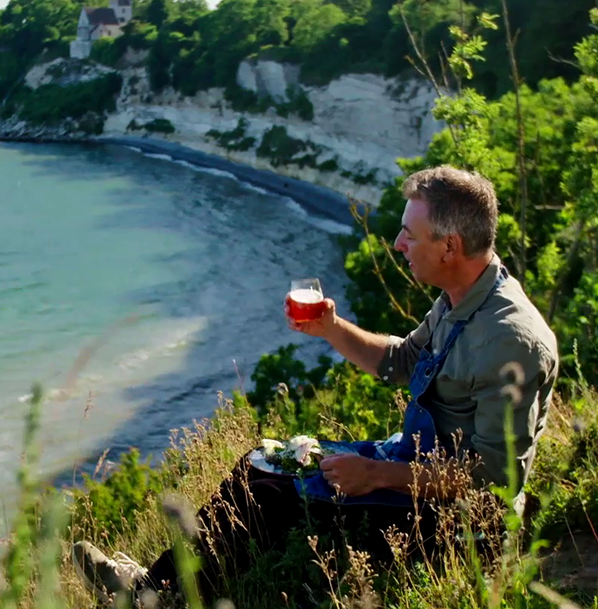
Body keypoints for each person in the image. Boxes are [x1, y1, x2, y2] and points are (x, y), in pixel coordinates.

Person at [71, 166, 560, 604]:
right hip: (411, 466)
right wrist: (330, 327)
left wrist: (377, 475)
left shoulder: (508, 339)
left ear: (449, 247)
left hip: (461, 526)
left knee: (271, 493)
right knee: (260, 464)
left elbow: (497, 479)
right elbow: (402, 362)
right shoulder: (461, 297)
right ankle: (159, 590)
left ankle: (160, 597)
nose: (397, 244)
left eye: (410, 235)